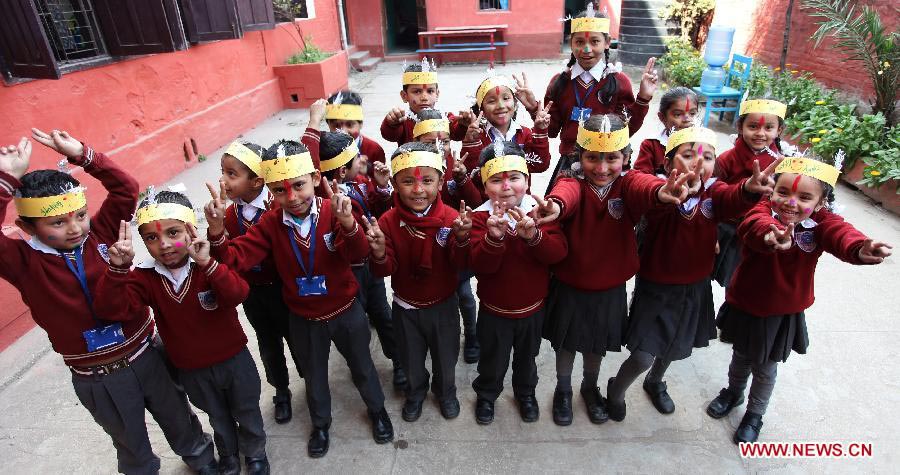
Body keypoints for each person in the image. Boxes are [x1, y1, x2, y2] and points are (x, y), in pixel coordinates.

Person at [0, 130, 215, 474]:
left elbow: (126, 189)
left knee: (178, 414)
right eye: (58, 222)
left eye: (80, 215)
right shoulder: (22, 262)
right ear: (26, 227)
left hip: (147, 353)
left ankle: (202, 459)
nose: (74, 228)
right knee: (129, 440)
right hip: (97, 376)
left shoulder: (100, 233)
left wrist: (84, 155)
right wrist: (7, 181)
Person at [205, 140, 392, 458]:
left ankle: (377, 410)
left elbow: (359, 254)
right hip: (305, 319)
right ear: (270, 190)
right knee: (314, 375)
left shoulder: (333, 211)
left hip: (346, 311)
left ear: (316, 178)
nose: (291, 198)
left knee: (362, 366)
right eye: (280, 190)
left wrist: (349, 224)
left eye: (299, 185)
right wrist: (217, 231)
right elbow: (235, 258)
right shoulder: (270, 223)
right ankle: (320, 424)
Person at [706, 154, 891, 444]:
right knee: (740, 356)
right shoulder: (762, 210)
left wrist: (858, 248)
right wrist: (770, 236)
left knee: (765, 368)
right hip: (746, 302)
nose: (791, 203)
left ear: (820, 203)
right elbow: (753, 225)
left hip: (781, 311)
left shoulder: (821, 223)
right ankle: (733, 392)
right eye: (783, 192)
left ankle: (755, 414)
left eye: (805, 197)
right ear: (772, 191)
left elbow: (841, 233)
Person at [605, 126, 778, 422]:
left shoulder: (714, 194)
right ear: (668, 163)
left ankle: (655, 381)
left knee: (676, 345)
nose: (698, 163)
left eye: (707, 157)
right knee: (644, 354)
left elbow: (733, 198)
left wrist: (748, 189)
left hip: (694, 287)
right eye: (688, 155)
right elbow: (640, 186)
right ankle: (616, 390)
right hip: (657, 287)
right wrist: (662, 193)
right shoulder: (660, 192)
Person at [534, 114, 694, 426]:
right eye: (592, 158)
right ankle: (563, 390)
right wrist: (555, 207)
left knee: (597, 345)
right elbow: (565, 195)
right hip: (569, 285)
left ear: (626, 158)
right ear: (579, 157)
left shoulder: (627, 184)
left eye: (612, 158)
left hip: (609, 289)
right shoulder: (572, 182)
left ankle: (590, 387)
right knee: (566, 344)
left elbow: (644, 185)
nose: (602, 168)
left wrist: (661, 192)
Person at [95, 191, 269, 475]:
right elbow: (113, 310)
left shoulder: (208, 262)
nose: (164, 244)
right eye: (151, 238)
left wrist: (208, 265)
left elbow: (237, 293)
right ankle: (228, 453)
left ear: (190, 230)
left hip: (233, 360)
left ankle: (255, 452)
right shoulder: (145, 277)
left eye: (173, 232)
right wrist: (117, 269)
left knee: (246, 409)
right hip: (192, 369)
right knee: (217, 415)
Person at [366, 142, 471, 422]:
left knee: (446, 357)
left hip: (443, 305)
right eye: (407, 181)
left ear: (441, 182)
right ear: (394, 184)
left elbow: (461, 263)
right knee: (410, 359)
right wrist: (379, 252)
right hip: (406, 308)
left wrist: (462, 239)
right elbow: (384, 269)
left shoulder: (451, 219)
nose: (418, 189)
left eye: (427, 180)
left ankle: (446, 392)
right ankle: (415, 393)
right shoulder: (388, 222)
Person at [468, 140, 567, 424]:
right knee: (492, 359)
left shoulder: (542, 213)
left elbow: (558, 254)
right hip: (494, 311)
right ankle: (487, 395)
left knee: (527, 358)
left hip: (532, 310)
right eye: (496, 180)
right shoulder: (480, 218)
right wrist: (493, 238)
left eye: (514, 177)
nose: (506, 186)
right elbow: (480, 265)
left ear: (527, 180)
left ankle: (526, 394)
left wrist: (534, 237)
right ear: (484, 186)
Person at [215, 141, 301, 424]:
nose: (223, 181)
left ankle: (311, 380)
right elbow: (225, 253)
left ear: (257, 181)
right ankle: (281, 390)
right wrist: (216, 228)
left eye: (231, 174)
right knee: (267, 342)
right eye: (222, 172)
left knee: (297, 338)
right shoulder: (229, 216)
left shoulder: (278, 206)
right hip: (253, 292)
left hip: (284, 288)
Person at [542, 5, 658, 157]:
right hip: (569, 160)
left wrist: (643, 98)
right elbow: (551, 131)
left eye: (595, 41)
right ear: (571, 44)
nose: (586, 49)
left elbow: (626, 130)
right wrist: (533, 109)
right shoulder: (559, 82)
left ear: (607, 42)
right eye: (579, 42)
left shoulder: (619, 82)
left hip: (605, 162)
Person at [712, 98, 787, 288]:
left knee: (744, 280)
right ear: (740, 126)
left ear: (779, 130)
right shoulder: (726, 159)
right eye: (753, 126)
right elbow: (711, 194)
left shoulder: (783, 164)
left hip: (761, 229)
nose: (760, 133)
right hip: (726, 227)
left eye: (769, 128)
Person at [632, 87, 700, 175]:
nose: (687, 119)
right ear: (662, 118)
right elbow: (640, 176)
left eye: (692, 113)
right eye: (678, 114)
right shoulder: (652, 145)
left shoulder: (702, 145)